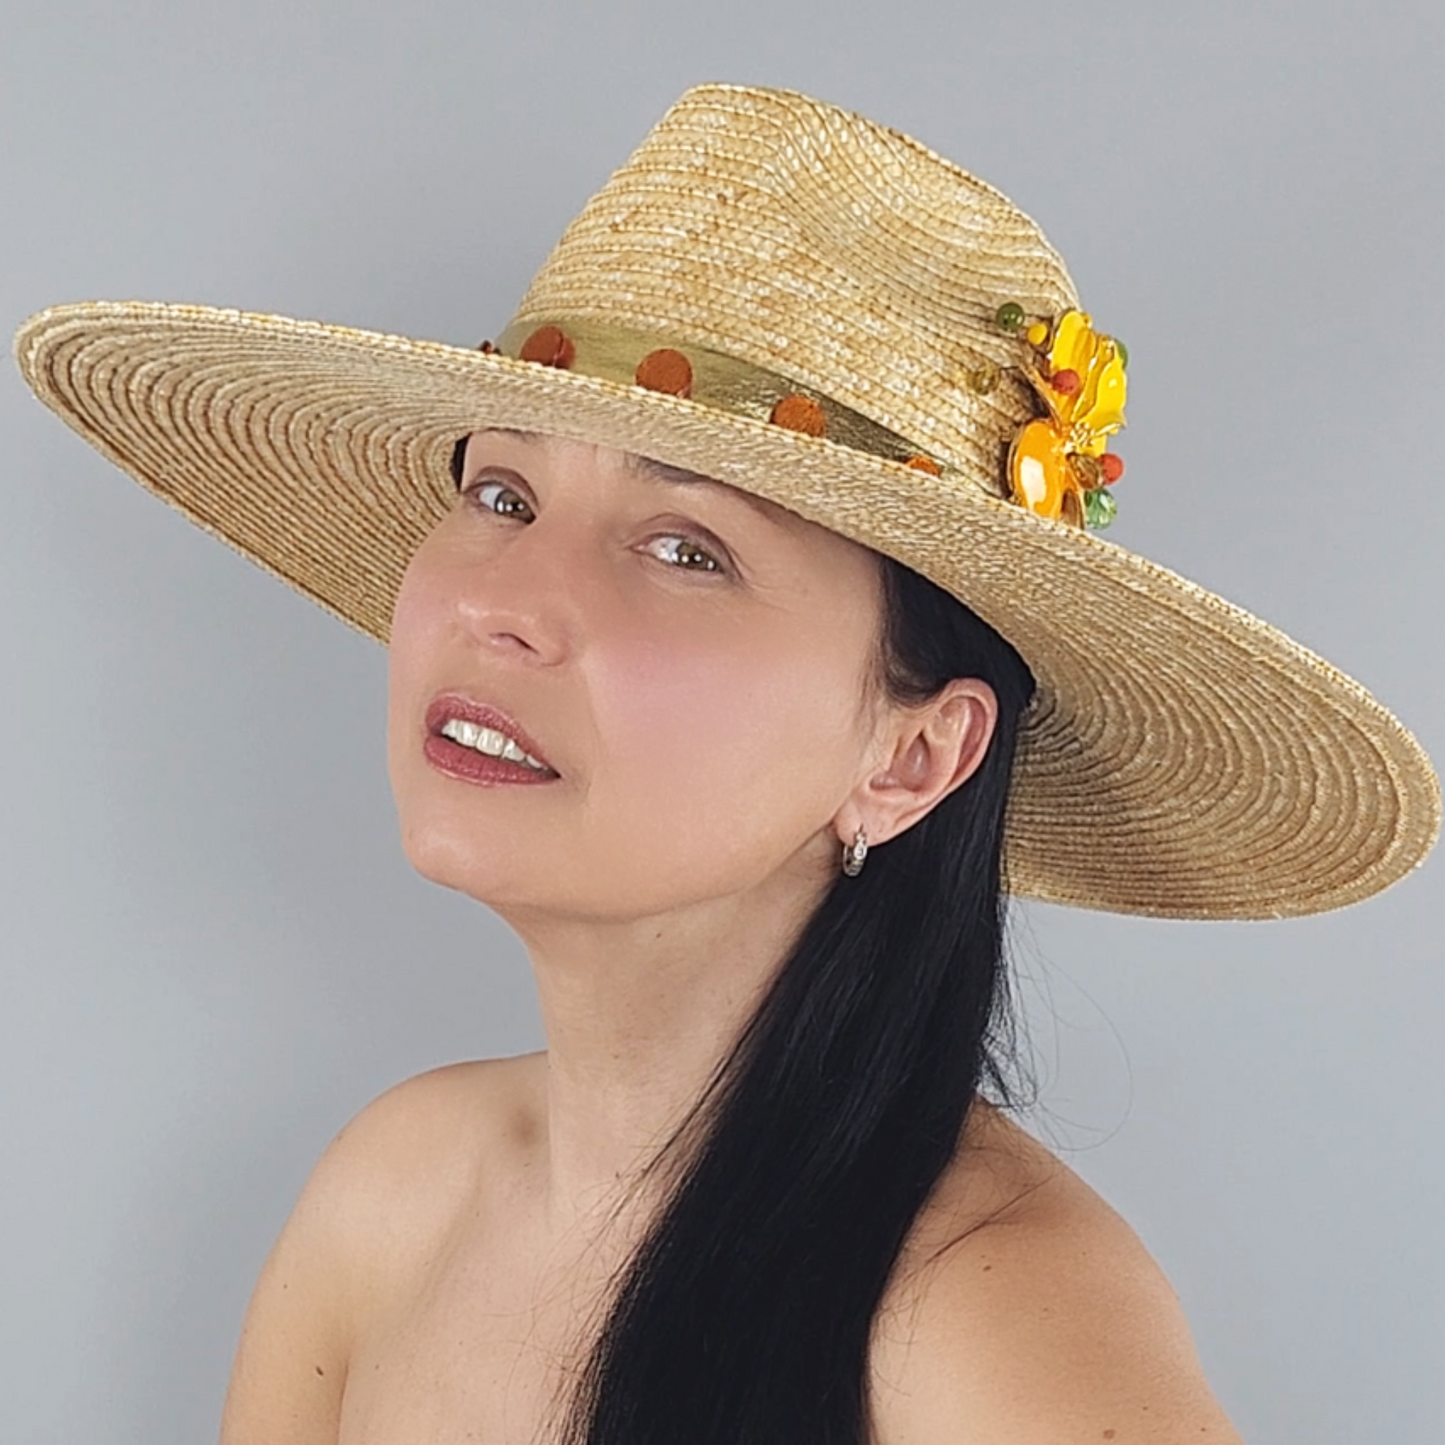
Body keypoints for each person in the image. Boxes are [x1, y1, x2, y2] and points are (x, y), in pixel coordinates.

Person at [14, 83, 1438, 1445]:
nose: (506, 597)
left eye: (687, 550)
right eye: (501, 492)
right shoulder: (392, 1197)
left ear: (914, 755)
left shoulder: (988, 1308)